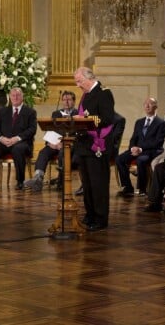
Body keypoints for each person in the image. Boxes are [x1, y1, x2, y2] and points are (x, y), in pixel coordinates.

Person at [73, 67, 115, 231]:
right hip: (84, 145)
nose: (78, 85)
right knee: (88, 185)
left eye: (79, 81)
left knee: (98, 184)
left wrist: (84, 119)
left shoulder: (104, 93)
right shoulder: (86, 95)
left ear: (89, 78)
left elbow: (107, 118)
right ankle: (90, 214)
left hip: (98, 145)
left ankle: (100, 218)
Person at [24, 90, 78, 192]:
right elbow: (50, 129)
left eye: (69, 99)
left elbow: (78, 133)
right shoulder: (56, 113)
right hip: (54, 143)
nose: (66, 102)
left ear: (74, 101)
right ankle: (38, 178)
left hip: (69, 145)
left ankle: (61, 182)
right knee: (43, 152)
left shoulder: (78, 114)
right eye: (64, 99)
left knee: (63, 153)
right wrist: (50, 142)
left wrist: (64, 143)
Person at [0, 87, 37, 190]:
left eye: (18, 95)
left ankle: (20, 181)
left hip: (22, 143)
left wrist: (17, 138)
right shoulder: (3, 111)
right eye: (13, 95)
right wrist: (1, 138)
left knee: (18, 149)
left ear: (22, 97)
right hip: (4, 142)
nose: (15, 97)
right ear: (10, 97)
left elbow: (32, 130)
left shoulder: (30, 112)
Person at [116, 97, 165, 197]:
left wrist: (140, 149)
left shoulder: (161, 123)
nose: (147, 106)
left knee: (141, 160)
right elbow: (133, 138)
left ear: (155, 107)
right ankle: (128, 187)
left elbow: (157, 142)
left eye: (150, 104)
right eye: (145, 104)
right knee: (119, 159)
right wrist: (132, 148)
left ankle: (142, 189)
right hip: (136, 149)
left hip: (150, 151)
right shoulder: (139, 122)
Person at [75, 111, 125, 196]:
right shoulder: (95, 117)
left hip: (109, 149)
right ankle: (86, 185)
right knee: (81, 154)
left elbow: (113, 139)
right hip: (95, 146)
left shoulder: (119, 119)